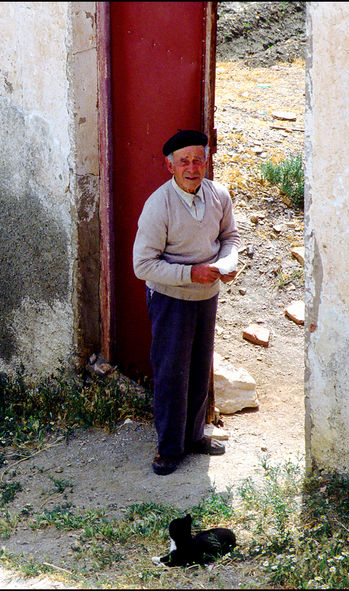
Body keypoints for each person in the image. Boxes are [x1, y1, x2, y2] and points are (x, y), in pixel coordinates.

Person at [132, 129, 240, 476]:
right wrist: (190, 274)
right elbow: (142, 265)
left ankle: (194, 437)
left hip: (206, 297)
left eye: (198, 159)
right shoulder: (158, 205)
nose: (192, 167)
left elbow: (229, 238)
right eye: (183, 161)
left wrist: (228, 264)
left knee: (198, 368)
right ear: (170, 166)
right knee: (171, 373)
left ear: (206, 161)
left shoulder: (219, 195)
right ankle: (169, 448)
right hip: (171, 299)